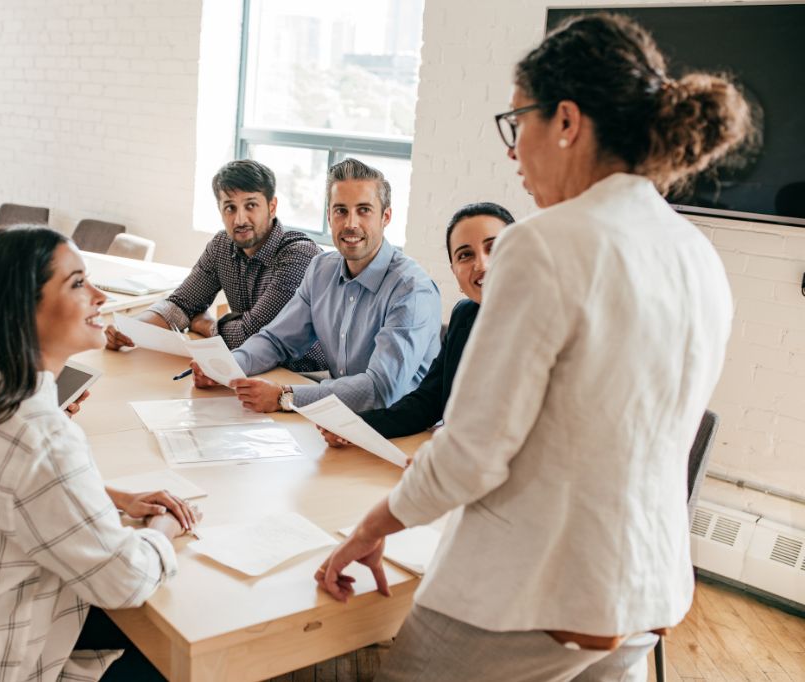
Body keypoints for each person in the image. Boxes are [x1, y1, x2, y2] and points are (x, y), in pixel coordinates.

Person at [316, 13, 752, 682]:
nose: (513, 151)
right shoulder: (696, 254)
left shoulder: (544, 245)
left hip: (526, 595)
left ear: (567, 121)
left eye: (518, 122)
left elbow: (472, 451)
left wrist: (372, 526)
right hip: (641, 594)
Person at [0, 227, 199, 682]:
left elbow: (15, 489)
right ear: (23, 310)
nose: (99, 295)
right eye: (77, 283)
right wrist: (164, 529)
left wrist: (109, 497)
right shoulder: (36, 433)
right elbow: (124, 580)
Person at [195, 158, 442, 414]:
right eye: (341, 211)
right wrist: (225, 367)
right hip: (340, 420)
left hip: (404, 431)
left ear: (385, 217)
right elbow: (277, 340)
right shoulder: (321, 269)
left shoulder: (411, 290)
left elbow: (382, 389)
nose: (350, 224)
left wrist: (286, 397)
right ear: (329, 216)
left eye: (364, 210)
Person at [320, 202, 514, 446]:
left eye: (494, 248)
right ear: (454, 271)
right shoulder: (465, 316)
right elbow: (427, 402)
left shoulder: (553, 322)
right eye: (465, 255)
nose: (482, 265)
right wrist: (357, 427)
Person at [105, 159, 326, 371]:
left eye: (251, 205)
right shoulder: (222, 245)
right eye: (230, 208)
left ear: (272, 206)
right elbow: (181, 304)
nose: (240, 220)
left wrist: (207, 325)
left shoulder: (298, 255)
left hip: (305, 375)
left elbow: (253, 336)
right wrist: (129, 329)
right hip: (249, 368)